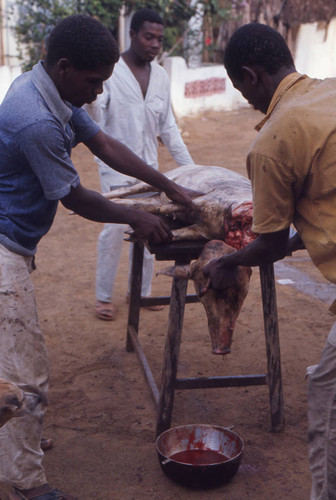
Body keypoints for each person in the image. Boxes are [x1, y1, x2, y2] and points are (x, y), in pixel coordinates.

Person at [0, 14, 195, 500]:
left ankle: (15, 439)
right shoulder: (35, 117)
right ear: (65, 67)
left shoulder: (56, 91)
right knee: (27, 368)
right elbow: (76, 197)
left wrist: (166, 183)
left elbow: (103, 143)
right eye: (93, 83)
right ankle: (25, 479)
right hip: (3, 248)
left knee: (11, 357)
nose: (97, 94)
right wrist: (137, 217)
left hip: (16, 243)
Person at [203, 22, 336, 499]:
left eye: (242, 90)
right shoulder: (329, 92)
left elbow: (272, 245)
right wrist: (296, 240)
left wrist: (227, 262)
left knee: (328, 405)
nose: (247, 101)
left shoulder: (274, 140)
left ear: (250, 75)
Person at [87, 8, 195, 321]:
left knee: (152, 224)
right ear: (132, 35)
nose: (154, 44)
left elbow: (169, 129)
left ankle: (142, 292)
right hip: (114, 166)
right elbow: (96, 119)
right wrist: (93, 104)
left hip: (149, 168)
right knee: (115, 226)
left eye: (159, 39)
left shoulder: (160, 76)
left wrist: (191, 171)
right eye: (148, 36)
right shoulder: (111, 71)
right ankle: (103, 297)